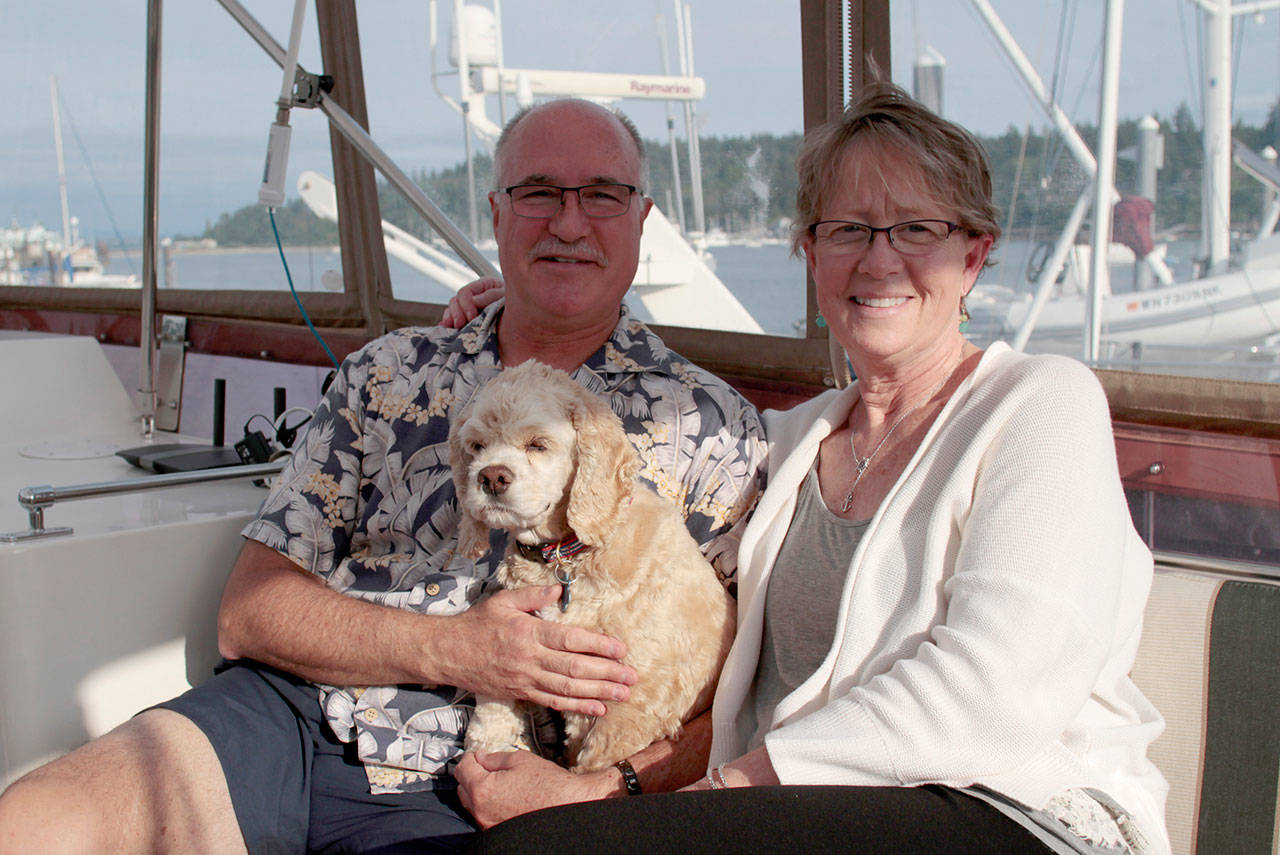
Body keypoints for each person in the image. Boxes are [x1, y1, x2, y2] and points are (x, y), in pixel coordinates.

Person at [0, 98, 766, 854]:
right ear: (497, 213)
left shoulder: (709, 427)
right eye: (538, 193)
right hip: (292, 718)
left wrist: (603, 790)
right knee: (33, 820)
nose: (569, 222)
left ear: (643, 217)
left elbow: (738, 697)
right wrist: (453, 648)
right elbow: (248, 613)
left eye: (602, 194)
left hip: (483, 791)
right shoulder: (387, 373)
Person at [456, 82, 1171, 855]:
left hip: (1014, 807)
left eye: (917, 228)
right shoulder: (787, 444)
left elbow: (986, 698)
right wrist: (524, 305)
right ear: (811, 254)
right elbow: (650, 562)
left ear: (974, 256)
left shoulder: (1041, 405)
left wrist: (722, 791)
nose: (881, 258)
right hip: (795, 812)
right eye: (849, 229)